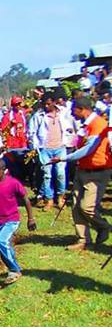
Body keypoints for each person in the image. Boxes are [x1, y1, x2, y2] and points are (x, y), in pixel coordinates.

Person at [54, 95, 112, 250]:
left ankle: (103, 226)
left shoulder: (98, 124)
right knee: (76, 206)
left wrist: (64, 158)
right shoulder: (85, 126)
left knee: (87, 206)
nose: (72, 114)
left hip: (97, 171)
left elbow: (88, 149)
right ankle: (83, 239)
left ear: (83, 109)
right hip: (83, 169)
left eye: (74, 110)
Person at [0, 158, 37, 282]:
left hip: (11, 220)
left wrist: (31, 218)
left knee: (1, 241)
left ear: (3, 170)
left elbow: (26, 199)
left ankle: (14, 270)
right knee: (3, 246)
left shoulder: (13, 183)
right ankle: (13, 268)